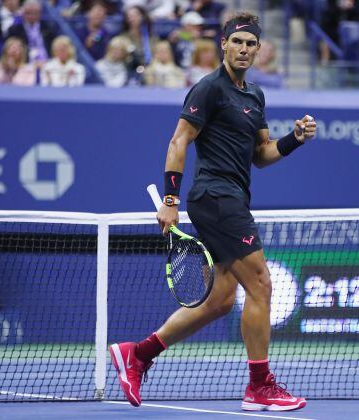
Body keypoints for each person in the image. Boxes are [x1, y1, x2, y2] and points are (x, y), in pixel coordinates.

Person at [108, 11, 316, 412]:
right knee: (261, 285)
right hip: (215, 197)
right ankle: (259, 386)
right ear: (223, 44)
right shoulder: (208, 89)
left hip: (233, 197)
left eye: (250, 44)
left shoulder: (255, 96)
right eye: (236, 42)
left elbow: (262, 155)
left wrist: (294, 139)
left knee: (220, 301)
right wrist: (170, 200)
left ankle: (138, 354)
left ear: (257, 50)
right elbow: (178, 141)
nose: (243, 49)